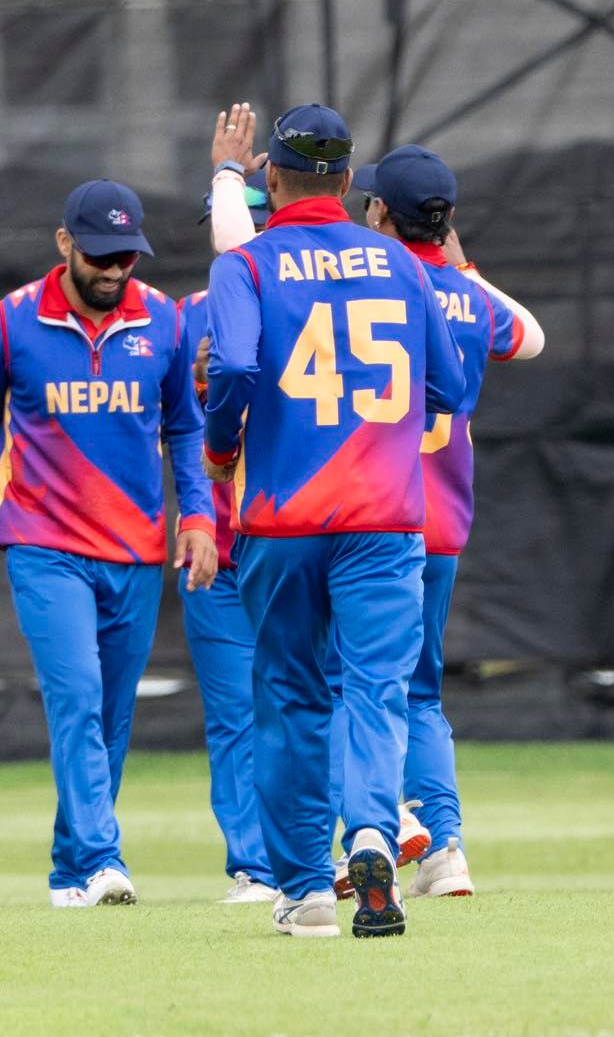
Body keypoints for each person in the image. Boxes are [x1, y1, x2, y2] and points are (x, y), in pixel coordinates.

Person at [202, 104, 465, 938]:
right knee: (378, 689)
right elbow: (452, 387)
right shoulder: (401, 264)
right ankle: (375, 831)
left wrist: (219, 450)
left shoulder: (245, 264)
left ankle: (307, 891)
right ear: (349, 182)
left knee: (290, 696)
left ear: (272, 179)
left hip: (284, 520)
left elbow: (233, 365)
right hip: (386, 519)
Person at [0, 179, 219, 909]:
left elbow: (186, 428)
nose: (114, 269)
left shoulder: (163, 319)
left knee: (111, 716)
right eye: (99, 255)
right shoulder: (10, 322)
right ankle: (99, 859)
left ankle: (70, 871)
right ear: (65, 243)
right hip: (44, 544)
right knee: (78, 695)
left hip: (135, 551)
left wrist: (198, 516)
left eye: (126, 256)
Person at [326, 144, 545, 899]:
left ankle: (380, 822)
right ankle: (445, 849)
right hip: (443, 519)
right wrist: (464, 266)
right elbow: (531, 336)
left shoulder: (367, 282)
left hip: (370, 517)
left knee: (340, 685)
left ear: (381, 213)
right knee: (419, 693)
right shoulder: (467, 296)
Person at [174, 104, 278, 905]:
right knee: (236, 712)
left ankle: (329, 846)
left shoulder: (311, 301)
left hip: (292, 533)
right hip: (218, 543)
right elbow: (170, 426)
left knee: (307, 698)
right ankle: (254, 863)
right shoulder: (183, 318)